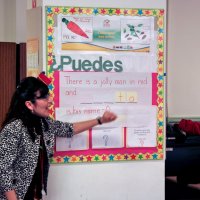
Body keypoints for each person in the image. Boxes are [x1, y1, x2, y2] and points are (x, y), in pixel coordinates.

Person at [0, 74, 117, 200]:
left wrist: (100, 120)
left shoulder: (44, 123)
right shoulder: (14, 128)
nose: (50, 101)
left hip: (37, 194)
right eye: (44, 97)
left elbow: (69, 129)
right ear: (29, 105)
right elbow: (3, 170)